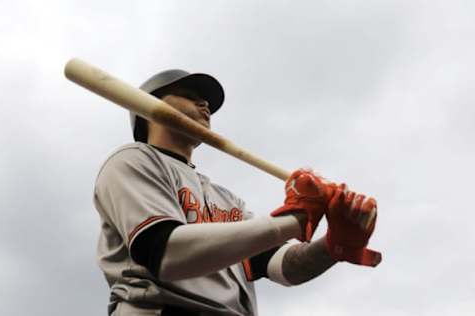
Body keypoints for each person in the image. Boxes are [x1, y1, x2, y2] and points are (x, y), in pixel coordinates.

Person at [93, 69, 381, 316]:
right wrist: (296, 218)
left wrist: (333, 246)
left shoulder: (228, 200)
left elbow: (282, 267)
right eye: (187, 94)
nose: (204, 103)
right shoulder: (133, 160)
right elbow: (165, 252)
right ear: (148, 107)